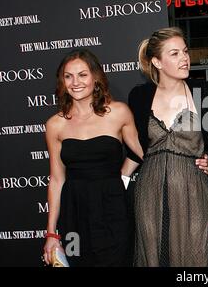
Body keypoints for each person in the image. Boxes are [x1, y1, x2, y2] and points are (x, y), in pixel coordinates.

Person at [121, 27, 208, 267]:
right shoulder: (139, 96)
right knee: (154, 257)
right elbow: (136, 150)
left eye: (185, 52)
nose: (185, 58)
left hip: (192, 192)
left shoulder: (203, 92)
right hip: (149, 193)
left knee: (197, 256)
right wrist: (116, 184)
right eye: (175, 53)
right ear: (157, 61)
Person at [43, 49, 144, 266]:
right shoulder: (55, 124)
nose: (75, 82)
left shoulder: (118, 113)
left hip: (113, 207)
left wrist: (190, 161)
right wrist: (51, 232)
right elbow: (57, 179)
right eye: (68, 76)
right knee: (77, 260)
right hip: (73, 212)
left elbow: (144, 153)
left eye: (82, 74)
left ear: (95, 77)